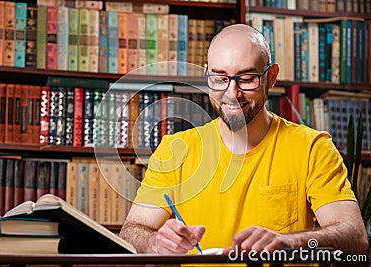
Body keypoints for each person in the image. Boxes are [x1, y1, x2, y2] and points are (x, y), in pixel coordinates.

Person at [119, 24, 369, 255]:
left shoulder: (312, 148)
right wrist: (156, 242)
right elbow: (131, 233)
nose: (232, 93)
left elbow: (355, 237)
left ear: (271, 77)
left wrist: (291, 242)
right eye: (219, 78)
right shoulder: (175, 150)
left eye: (247, 78)